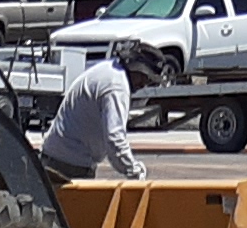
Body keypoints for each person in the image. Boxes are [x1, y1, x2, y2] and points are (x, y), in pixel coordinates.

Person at [42, 42, 162, 182]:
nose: (144, 84)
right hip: (70, 165)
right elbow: (115, 138)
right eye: (145, 77)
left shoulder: (108, 70)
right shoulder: (116, 87)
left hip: (57, 157)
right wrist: (133, 170)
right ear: (136, 68)